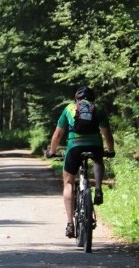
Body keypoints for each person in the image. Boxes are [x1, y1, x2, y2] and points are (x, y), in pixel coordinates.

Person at [45, 86, 115, 238]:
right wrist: (110, 150)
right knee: (98, 160)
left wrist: (52, 152)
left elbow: (57, 135)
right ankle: (97, 189)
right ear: (92, 98)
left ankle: (70, 224)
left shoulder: (69, 108)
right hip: (95, 145)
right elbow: (107, 134)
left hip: (74, 147)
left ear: (76, 98)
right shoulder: (98, 109)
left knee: (69, 182)